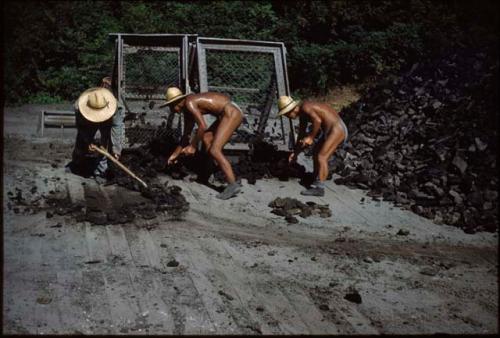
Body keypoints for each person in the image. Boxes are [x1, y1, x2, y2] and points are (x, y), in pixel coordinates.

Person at [161, 87, 243, 200]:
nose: (172, 110)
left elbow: (202, 126)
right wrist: (174, 155)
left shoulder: (189, 103)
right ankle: (211, 173)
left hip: (231, 112)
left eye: (171, 106)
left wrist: (193, 146)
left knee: (215, 150)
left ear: (177, 102)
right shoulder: (187, 111)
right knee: (206, 138)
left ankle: (232, 184)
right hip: (225, 113)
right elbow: (186, 136)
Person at [277, 95, 348, 197]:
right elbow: (301, 134)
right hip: (329, 131)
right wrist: (295, 154)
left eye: (286, 114)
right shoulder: (303, 114)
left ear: (292, 109)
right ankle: (315, 177)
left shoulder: (306, 107)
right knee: (316, 152)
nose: (286, 116)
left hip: (337, 129)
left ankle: (320, 188)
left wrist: (311, 137)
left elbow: (317, 121)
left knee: (322, 157)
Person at [66, 77, 125, 183]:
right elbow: (81, 127)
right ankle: (76, 163)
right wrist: (88, 141)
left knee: (105, 143)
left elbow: (116, 128)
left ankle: (100, 172)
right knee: (81, 141)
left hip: (107, 121)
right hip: (87, 121)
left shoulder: (117, 108)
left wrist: (116, 149)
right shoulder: (79, 108)